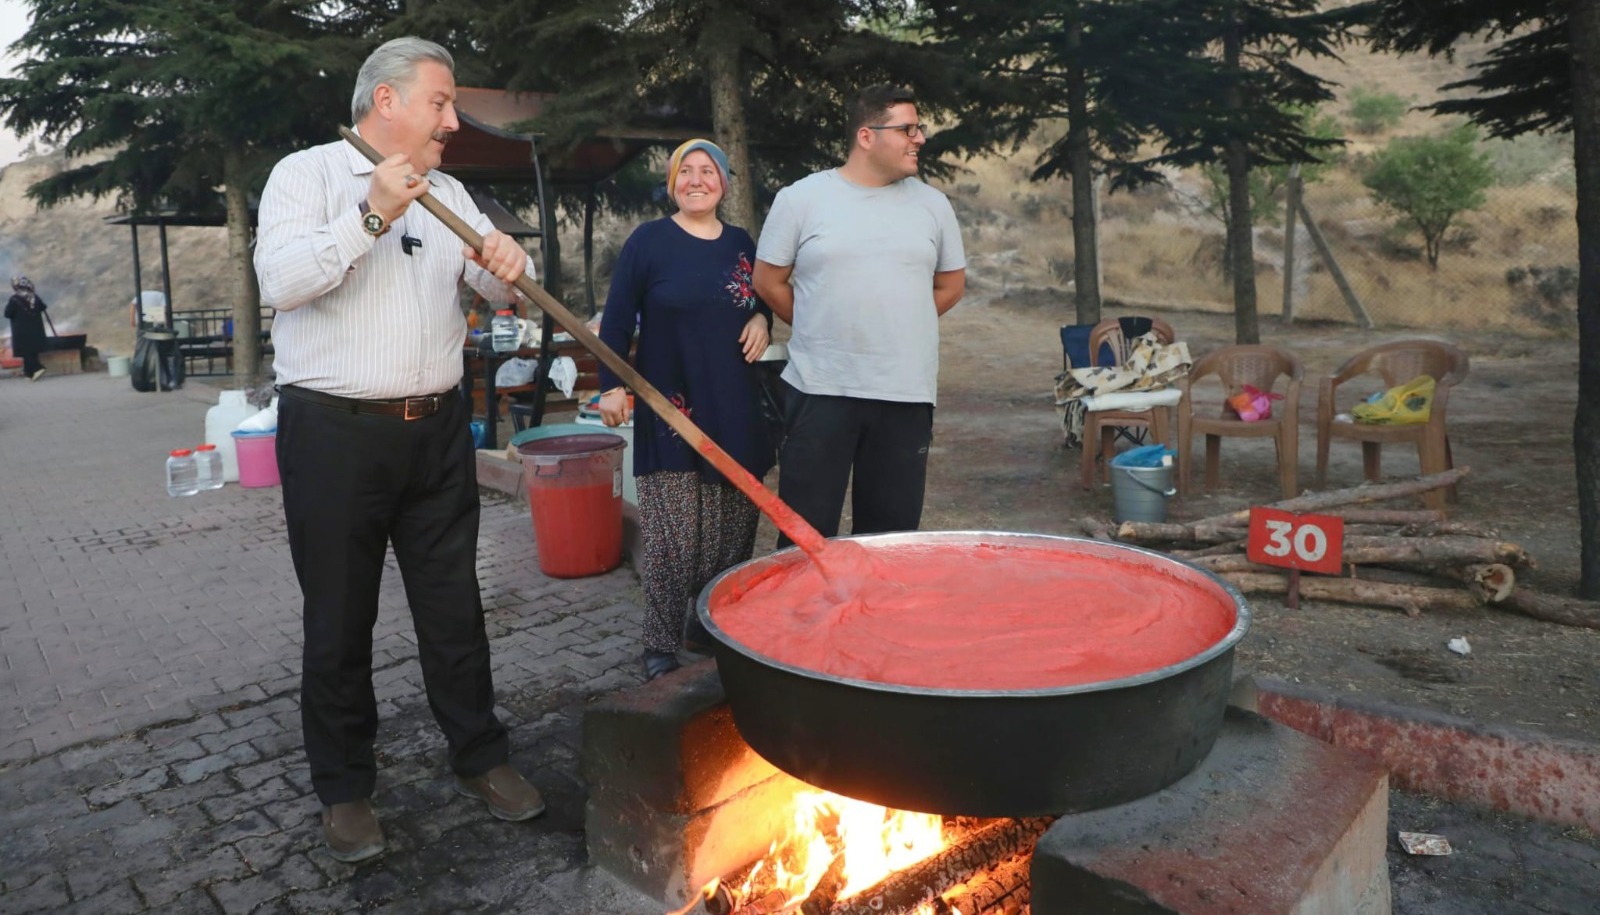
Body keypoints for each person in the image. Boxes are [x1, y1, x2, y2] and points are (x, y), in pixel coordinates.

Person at [254, 36, 543, 864]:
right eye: (441, 102)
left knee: (454, 605)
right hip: (335, 432)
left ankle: (482, 757)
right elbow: (283, 281)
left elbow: (494, 281)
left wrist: (506, 263)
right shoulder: (304, 176)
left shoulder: (449, 190)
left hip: (439, 430)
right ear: (387, 102)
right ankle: (345, 788)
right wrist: (373, 211)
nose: (453, 120)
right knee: (340, 616)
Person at [752, 85, 966, 544]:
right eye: (908, 128)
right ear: (866, 136)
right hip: (820, 388)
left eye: (920, 128)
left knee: (892, 541)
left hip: (905, 393)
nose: (920, 138)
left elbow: (951, 285)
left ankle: (878, 619)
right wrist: (819, 322)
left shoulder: (933, 205)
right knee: (804, 541)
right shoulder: (802, 199)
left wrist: (901, 321)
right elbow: (767, 280)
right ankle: (805, 618)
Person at [595, 139, 775, 680]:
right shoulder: (650, 242)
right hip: (669, 410)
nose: (697, 180)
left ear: (723, 181)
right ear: (673, 182)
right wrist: (611, 385)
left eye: (708, 171)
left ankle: (709, 628)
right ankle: (659, 645)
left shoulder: (742, 243)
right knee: (675, 536)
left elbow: (763, 294)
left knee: (730, 538)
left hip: (735, 410)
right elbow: (616, 320)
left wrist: (764, 317)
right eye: (686, 171)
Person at [5, 276, 49, 381]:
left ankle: (38, 368)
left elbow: (7, 314)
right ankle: (29, 373)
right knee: (32, 351)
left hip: (22, 331)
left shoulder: (14, 299)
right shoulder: (34, 297)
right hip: (37, 330)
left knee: (26, 351)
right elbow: (43, 307)